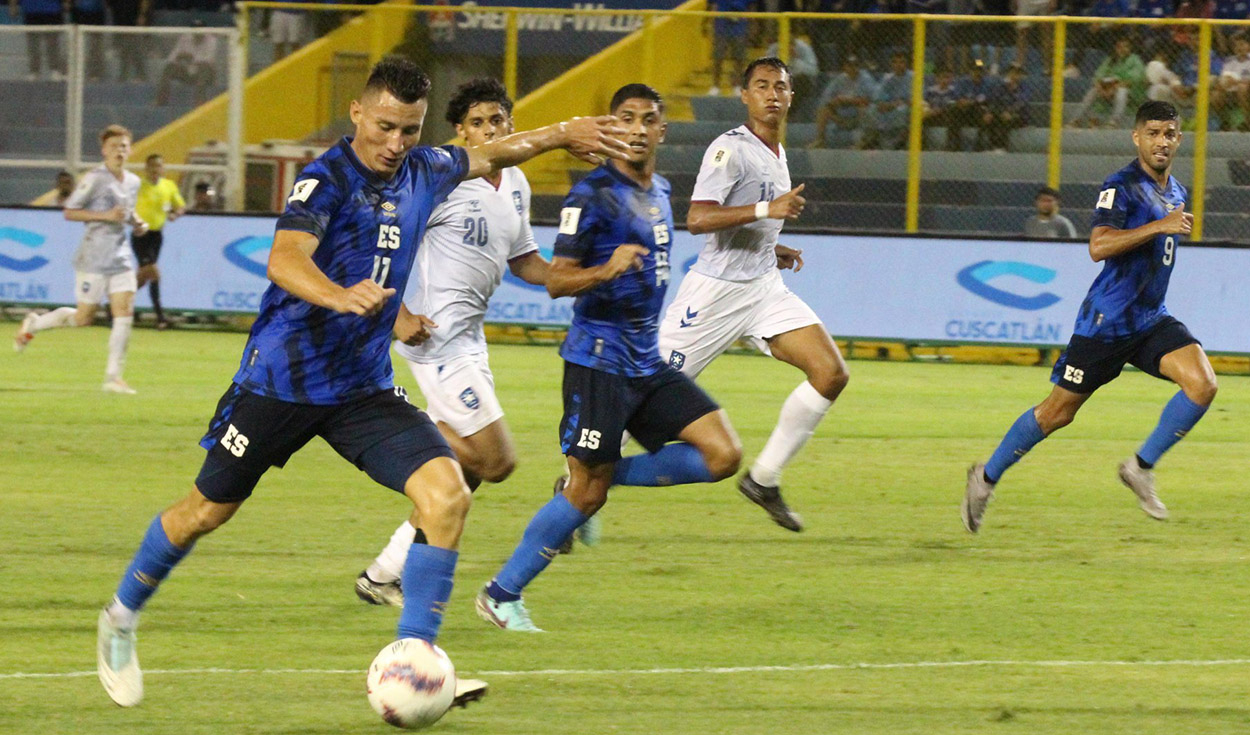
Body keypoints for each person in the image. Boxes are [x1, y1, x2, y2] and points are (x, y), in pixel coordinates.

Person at [92, 56, 629, 708]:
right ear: (357, 114)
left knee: (448, 495)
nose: (395, 143)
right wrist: (340, 295)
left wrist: (562, 130)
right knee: (207, 510)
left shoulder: (427, 170)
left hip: (360, 390)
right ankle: (120, 616)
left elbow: (494, 153)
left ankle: (416, 660)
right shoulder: (324, 181)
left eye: (408, 129)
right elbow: (285, 259)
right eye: (384, 127)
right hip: (281, 383)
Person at [474, 83, 743, 632]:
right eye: (626, 119)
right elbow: (557, 282)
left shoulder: (662, 188)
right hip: (598, 361)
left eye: (649, 119)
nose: (638, 129)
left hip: (645, 361)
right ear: (610, 127)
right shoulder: (589, 196)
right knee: (585, 494)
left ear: (662, 130)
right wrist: (606, 269)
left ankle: (610, 472)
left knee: (723, 454)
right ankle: (501, 593)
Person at [354, 77, 599, 607]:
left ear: (511, 125)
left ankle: (383, 574)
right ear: (459, 133)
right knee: (497, 460)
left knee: (470, 474)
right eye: (479, 123)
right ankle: (410, 436)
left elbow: (525, 262)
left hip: (471, 339)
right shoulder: (440, 180)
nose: (490, 130)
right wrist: (397, 314)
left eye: (498, 121)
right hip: (433, 336)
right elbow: (381, 245)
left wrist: (585, 274)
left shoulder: (515, 184)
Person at [963, 101, 1218, 533]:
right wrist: (1159, 227)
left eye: (1170, 133)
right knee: (1057, 414)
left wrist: (1165, 226)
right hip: (1107, 322)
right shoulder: (1120, 186)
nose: (1162, 141)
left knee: (1202, 384)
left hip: (1150, 318)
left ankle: (1139, 467)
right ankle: (984, 479)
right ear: (1136, 137)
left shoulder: (1175, 190)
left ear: (1179, 139)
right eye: (1153, 132)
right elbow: (1098, 246)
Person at [660, 57, 849, 532]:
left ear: (790, 97)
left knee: (830, 373)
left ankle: (763, 480)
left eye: (780, 87)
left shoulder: (777, 151)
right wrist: (770, 208)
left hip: (763, 286)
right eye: (761, 86)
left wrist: (771, 240)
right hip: (714, 295)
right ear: (744, 95)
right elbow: (699, 218)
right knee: (647, 402)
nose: (771, 94)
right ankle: (579, 479)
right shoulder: (730, 149)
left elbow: (745, 217)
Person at [14, 124, 146, 395]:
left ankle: (113, 378)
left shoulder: (133, 181)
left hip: (120, 258)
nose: (119, 151)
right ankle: (34, 324)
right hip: (93, 258)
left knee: (124, 311)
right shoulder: (94, 179)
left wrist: (137, 222)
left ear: (130, 149)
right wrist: (105, 216)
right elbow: (70, 211)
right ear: (104, 151)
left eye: (123, 146)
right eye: (114, 146)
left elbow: (126, 211)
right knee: (83, 318)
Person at [133, 153, 186, 329]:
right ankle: (160, 317)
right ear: (146, 169)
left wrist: (174, 214)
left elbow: (180, 206)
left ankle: (116, 302)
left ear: (162, 169)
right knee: (154, 272)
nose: (155, 169)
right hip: (141, 234)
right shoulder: (138, 185)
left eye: (158, 166)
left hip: (157, 236)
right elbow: (126, 204)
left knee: (145, 276)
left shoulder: (168, 186)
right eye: (152, 166)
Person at [1072, 36, 1146, 128]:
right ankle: (1076, 120)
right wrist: (1100, 87)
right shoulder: (1111, 60)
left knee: (1121, 92)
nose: (1122, 49)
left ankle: (1113, 122)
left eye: (1125, 47)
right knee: (1093, 91)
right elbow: (1098, 75)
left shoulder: (1135, 60)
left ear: (1130, 48)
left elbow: (1135, 78)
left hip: (1130, 94)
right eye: (1119, 47)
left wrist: (1114, 88)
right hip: (1108, 90)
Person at [808, 55, 877, 149]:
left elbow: (870, 99)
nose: (852, 68)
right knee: (824, 109)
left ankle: (862, 142)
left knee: (864, 107)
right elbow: (826, 98)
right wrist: (835, 101)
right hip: (841, 115)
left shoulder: (865, 79)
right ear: (845, 67)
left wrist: (847, 100)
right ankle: (820, 140)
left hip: (857, 115)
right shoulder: (839, 79)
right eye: (849, 65)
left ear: (859, 67)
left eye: (855, 65)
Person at [156, 24, 218, 105]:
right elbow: (172, 57)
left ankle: (200, 101)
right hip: (187, 71)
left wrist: (191, 58)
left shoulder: (212, 40)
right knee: (169, 68)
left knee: (204, 68)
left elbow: (208, 59)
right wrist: (180, 58)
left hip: (205, 74)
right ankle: (161, 100)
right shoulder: (185, 37)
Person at [864, 52, 912, 150]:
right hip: (890, 106)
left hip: (905, 107)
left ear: (906, 64)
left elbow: (912, 99)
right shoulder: (887, 78)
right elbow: (878, 98)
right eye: (895, 62)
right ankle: (873, 140)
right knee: (871, 109)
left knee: (902, 109)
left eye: (901, 62)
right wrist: (885, 104)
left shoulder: (913, 77)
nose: (898, 65)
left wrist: (895, 104)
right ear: (891, 64)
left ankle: (900, 142)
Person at [10, 0, 67, 81]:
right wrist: (13, 5)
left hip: (52, 10)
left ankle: (55, 70)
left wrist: (67, 2)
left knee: (53, 43)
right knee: (33, 43)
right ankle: (34, 71)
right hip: (31, 10)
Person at [708, 0, 755, 96]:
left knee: (739, 58)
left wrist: (752, 25)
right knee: (718, 57)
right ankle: (715, 86)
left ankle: (737, 86)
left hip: (739, 27)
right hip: (721, 26)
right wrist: (710, 24)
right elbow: (712, 6)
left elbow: (751, 7)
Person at [982, 63, 1031, 151]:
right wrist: (989, 112)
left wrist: (1010, 112)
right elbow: (995, 101)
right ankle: (992, 147)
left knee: (1006, 119)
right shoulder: (1002, 86)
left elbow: (1021, 103)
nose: (1014, 75)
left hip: (1019, 116)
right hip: (1002, 113)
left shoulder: (1024, 87)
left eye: (1017, 73)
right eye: (1012, 72)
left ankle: (1002, 147)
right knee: (991, 118)